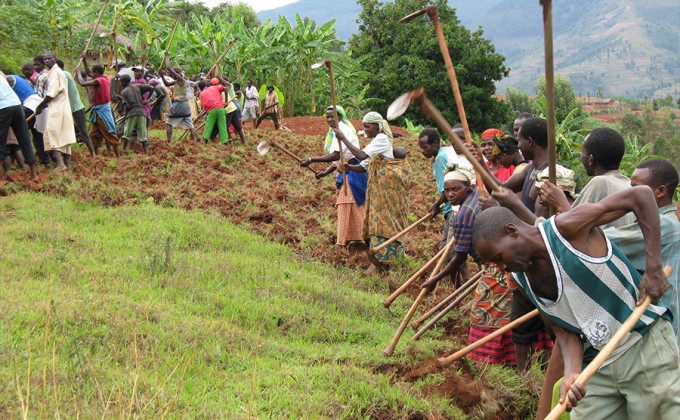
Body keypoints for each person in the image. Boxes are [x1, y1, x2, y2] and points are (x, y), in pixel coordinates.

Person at [473, 186, 680, 419]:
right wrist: (572, 372)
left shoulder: (565, 229)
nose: (501, 268)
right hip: (596, 366)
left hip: (642, 345)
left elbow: (641, 195)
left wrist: (653, 268)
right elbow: (564, 332)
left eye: (499, 258)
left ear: (512, 230)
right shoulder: (521, 279)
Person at [603, 159, 679, 345]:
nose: (629, 194)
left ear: (660, 191)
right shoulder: (667, 221)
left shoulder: (664, 225)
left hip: (658, 322)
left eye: (636, 188)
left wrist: (567, 211)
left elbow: (603, 241)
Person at [338, 111, 410, 275]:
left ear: (377, 126)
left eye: (368, 126)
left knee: (385, 220)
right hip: (378, 190)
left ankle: (385, 261)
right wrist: (348, 167)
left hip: (387, 189)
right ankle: (379, 260)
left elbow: (361, 155)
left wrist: (343, 139)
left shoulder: (382, 139)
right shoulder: (376, 142)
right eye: (364, 126)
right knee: (376, 219)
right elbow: (363, 165)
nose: (365, 130)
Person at [540, 127, 634, 229]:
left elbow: (575, 226)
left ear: (591, 159)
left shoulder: (601, 182)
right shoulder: (629, 184)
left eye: (582, 154)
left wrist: (560, 202)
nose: (581, 158)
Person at [301, 105, 367, 246]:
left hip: (352, 173)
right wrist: (325, 173)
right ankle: (358, 238)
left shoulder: (342, 130)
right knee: (353, 205)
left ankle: (343, 242)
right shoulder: (335, 131)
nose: (329, 119)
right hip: (347, 170)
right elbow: (340, 159)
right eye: (328, 116)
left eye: (333, 116)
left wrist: (311, 160)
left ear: (340, 117)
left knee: (346, 203)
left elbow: (337, 155)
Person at [421, 164, 480, 289]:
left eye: (455, 189)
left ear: (467, 187)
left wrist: (435, 279)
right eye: (447, 190)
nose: (450, 195)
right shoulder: (477, 193)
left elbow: (460, 257)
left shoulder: (464, 214)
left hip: (492, 263)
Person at [418, 127, 475, 252]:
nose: (422, 151)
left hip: (453, 210)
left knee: (448, 251)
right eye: (421, 148)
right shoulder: (447, 151)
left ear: (435, 143)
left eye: (425, 147)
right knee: (457, 253)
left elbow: (447, 189)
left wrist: (437, 205)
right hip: (463, 206)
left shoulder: (440, 159)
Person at [34, 51, 77, 171]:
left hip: (57, 108)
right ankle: (67, 165)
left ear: (55, 59)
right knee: (64, 134)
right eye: (45, 59)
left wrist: (40, 106)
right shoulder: (56, 72)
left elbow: (51, 94)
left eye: (49, 58)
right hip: (63, 107)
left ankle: (60, 164)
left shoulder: (55, 73)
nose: (47, 61)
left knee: (51, 133)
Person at [76, 59, 121, 157]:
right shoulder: (103, 78)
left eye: (93, 72)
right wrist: (84, 59)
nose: (90, 74)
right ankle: (94, 155)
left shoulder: (99, 81)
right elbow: (88, 72)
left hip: (102, 111)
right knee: (93, 134)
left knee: (109, 132)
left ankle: (118, 156)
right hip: (98, 111)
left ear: (96, 73)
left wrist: (78, 72)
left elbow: (82, 83)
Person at [0, 70, 38, 180]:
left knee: (1, 142)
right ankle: (34, 174)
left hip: (3, 108)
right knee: (24, 138)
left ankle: (1, 179)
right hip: (17, 105)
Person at [5, 72, 47, 164]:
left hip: (30, 105)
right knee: (37, 134)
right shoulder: (16, 78)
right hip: (37, 104)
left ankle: (18, 162)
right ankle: (44, 161)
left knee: (17, 134)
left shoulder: (7, 80)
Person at [57, 59, 95, 156]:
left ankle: (93, 154)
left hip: (76, 108)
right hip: (68, 109)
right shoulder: (63, 75)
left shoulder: (64, 75)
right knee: (73, 130)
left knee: (84, 132)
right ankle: (76, 138)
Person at [162, 52, 199, 142]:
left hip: (178, 105)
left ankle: (169, 141)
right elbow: (166, 83)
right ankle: (194, 140)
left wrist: (167, 56)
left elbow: (169, 68)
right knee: (190, 125)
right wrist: (161, 75)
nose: (171, 76)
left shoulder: (181, 80)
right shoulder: (178, 81)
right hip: (185, 105)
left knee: (168, 122)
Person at [118, 75, 154, 155]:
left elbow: (127, 106)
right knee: (143, 135)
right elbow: (151, 88)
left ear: (124, 82)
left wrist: (125, 114)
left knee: (126, 134)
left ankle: (122, 152)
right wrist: (146, 100)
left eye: (121, 83)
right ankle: (146, 154)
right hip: (142, 113)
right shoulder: (138, 86)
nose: (120, 84)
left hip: (132, 113)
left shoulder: (124, 92)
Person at [198, 78, 229, 144]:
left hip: (212, 110)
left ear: (200, 88)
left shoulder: (201, 94)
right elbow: (225, 88)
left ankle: (205, 140)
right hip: (221, 108)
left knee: (209, 125)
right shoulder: (214, 88)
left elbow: (204, 106)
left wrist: (206, 112)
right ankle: (225, 142)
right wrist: (226, 101)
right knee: (222, 126)